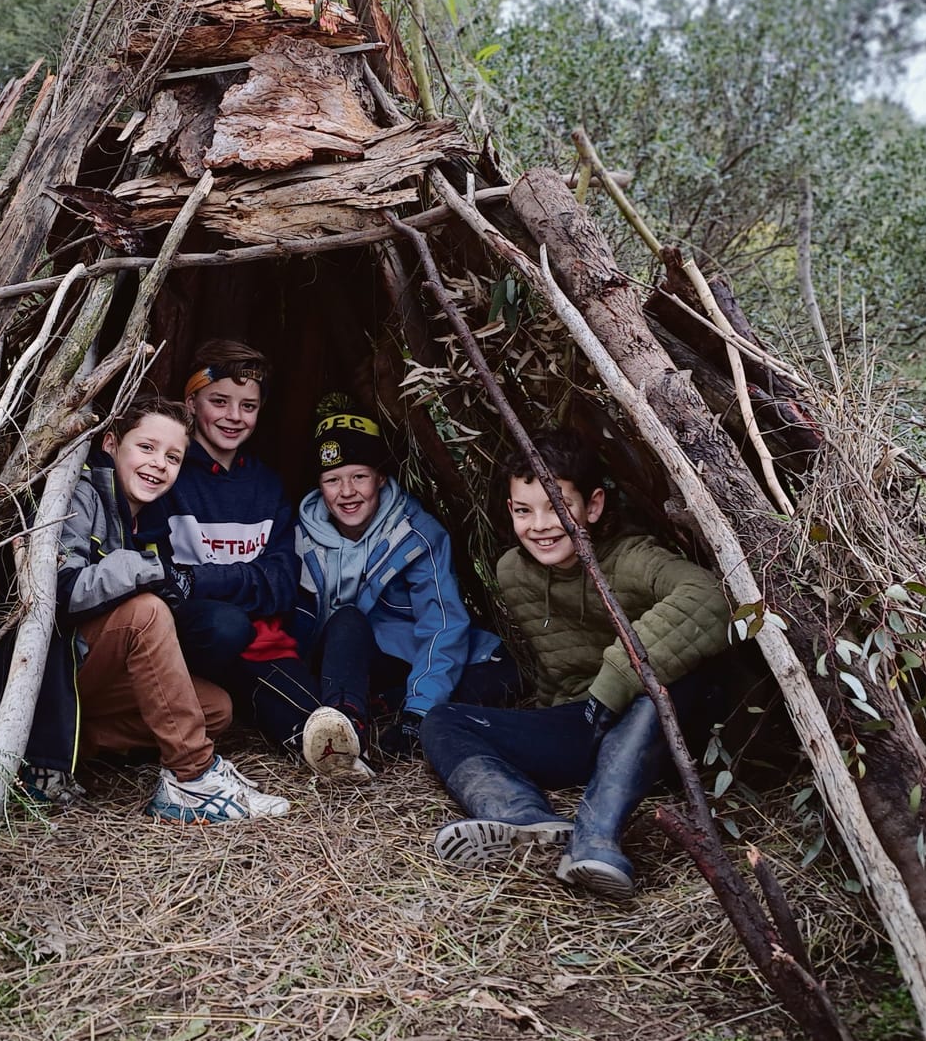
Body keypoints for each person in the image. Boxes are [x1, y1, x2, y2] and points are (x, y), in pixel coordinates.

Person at [419, 431, 733, 898]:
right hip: (582, 721)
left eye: (556, 507)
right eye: (524, 510)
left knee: (660, 684)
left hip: (656, 734)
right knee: (443, 721)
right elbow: (556, 673)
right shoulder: (514, 571)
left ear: (594, 505)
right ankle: (522, 816)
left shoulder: (632, 560)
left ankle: (597, 837)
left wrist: (613, 682)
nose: (540, 525)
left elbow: (712, 597)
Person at [53, 394, 289, 823]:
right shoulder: (81, 494)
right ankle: (191, 778)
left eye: (173, 456)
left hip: (94, 678)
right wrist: (152, 569)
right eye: (146, 447)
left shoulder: (146, 518)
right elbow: (62, 591)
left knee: (215, 709)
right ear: (111, 444)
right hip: (60, 666)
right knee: (146, 613)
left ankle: (60, 747)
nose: (159, 464)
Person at [290, 396, 510, 777]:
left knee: (501, 675)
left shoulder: (415, 534)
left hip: (399, 657)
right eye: (332, 480)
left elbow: (441, 624)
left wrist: (418, 711)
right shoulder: (297, 536)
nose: (347, 492)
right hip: (333, 655)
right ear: (319, 485)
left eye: (358, 476)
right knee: (347, 619)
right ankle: (344, 731)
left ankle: (388, 704)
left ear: (379, 477)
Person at [157, 340, 329, 763]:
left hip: (255, 639)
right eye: (220, 402)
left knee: (309, 718)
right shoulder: (167, 474)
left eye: (248, 406)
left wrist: (203, 578)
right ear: (192, 401)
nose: (234, 417)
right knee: (226, 623)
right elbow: (161, 577)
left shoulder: (266, 487)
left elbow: (282, 582)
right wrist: (242, 583)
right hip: (190, 639)